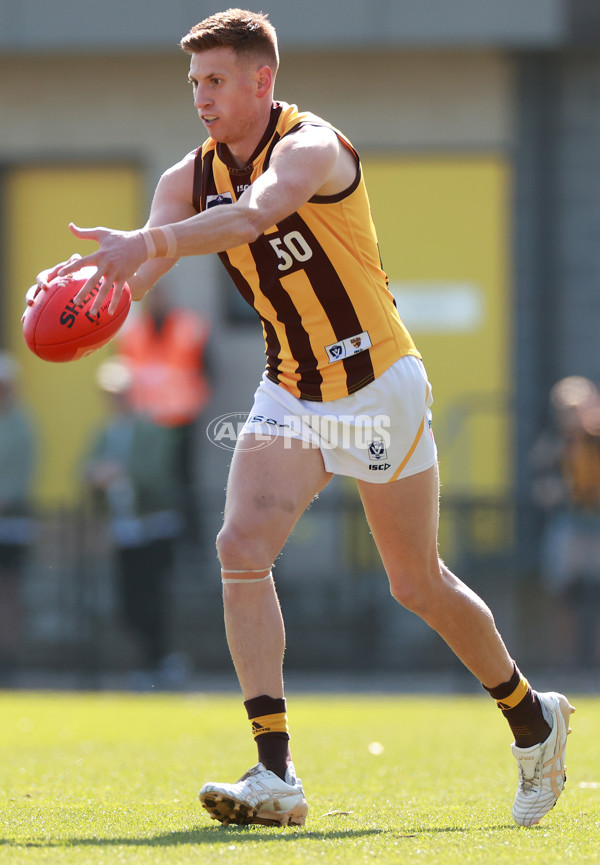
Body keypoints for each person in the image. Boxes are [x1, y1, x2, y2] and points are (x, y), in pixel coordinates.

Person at [40, 8, 574, 828]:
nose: (202, 99)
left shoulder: (312, 146)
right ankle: (275, 771)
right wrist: (87, 288)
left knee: (416, 582)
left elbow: (254, 217)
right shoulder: (186, 177)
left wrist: (147, 241)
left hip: (375, 384)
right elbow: (140, 274)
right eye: (193, 83)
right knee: (239, 549)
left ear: (263, 79)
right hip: (289, 387)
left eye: (216, 81)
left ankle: (533, 719)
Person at [82, 358, 184, 677]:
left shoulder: (151, 429)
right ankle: (146, 660)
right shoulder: (106, 432)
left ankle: (162, 659)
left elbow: (158, 474)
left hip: (153, 527)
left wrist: (119, 473)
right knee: (128, 600)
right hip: (124, 530)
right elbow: (87, 468)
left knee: (151, 595)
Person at [116, 280, 212, 543]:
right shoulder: (133, 331)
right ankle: (156, 543)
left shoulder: (189, 327)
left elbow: (208, 371)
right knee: (149, 482)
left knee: (184, 484)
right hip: (146, 425)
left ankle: (189, 545)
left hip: (181, 422)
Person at [532, 376, 600, 668]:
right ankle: (564, 661)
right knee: (563, 595)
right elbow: (540, 485)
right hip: (570, 525)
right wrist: (552, 492)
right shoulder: (552, 446)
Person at [0, 353, 37, 679]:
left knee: (9, 590)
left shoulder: (21, 425)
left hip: (10, 524)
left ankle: (9, 656)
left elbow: (17, 479)